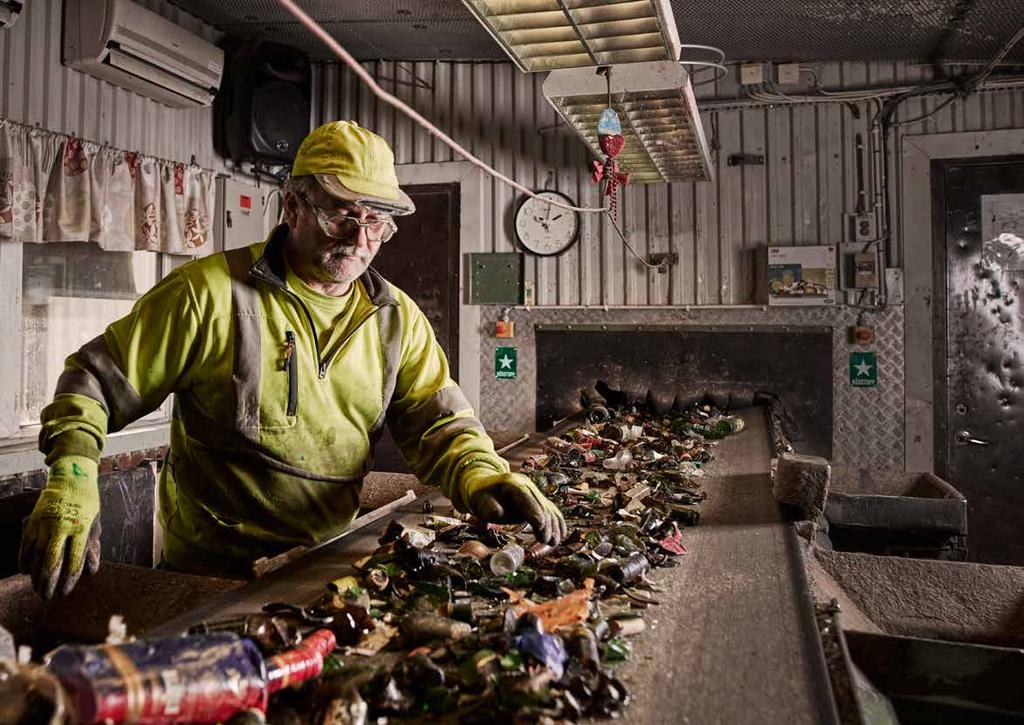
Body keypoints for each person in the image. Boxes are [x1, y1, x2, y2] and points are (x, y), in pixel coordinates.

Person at [19, 121, 566, 598]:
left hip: (325, 572)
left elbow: (441, 423)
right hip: (210, 578)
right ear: (293, 206)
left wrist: (483, 475)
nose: (359, 237)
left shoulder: (396, 319)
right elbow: (92, 381)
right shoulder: (208, 295)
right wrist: (71, 473)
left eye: (376, 221)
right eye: (340, 214)